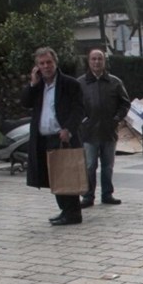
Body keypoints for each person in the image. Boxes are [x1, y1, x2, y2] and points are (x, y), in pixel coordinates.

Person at [21, 47, 84, 226]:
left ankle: (73, 213)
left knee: (67, 174)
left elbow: (79, 109)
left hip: (63, 137)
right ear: (37, 67)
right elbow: (25, 102)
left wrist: (68, 129)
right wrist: (32, 84)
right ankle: (65, 210)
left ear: (55, 63)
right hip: (44, 138)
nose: (46, 66)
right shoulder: (38, 86)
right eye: (42, 64)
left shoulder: (70, 84)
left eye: (49, 62)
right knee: (54, 176)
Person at [77, 49, 130, 209]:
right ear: (89, 61)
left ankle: (107, 194)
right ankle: (88, 196)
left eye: (100, 59)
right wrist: (83, 120)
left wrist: (116, 119)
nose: (97, 62)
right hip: (89, 133)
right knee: (90, 165)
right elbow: (75, 105)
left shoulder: (115, 82)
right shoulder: (80, 83)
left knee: (108, 166)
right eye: (93, 59)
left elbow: (125, 103)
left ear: (104, 61)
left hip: (109, 132)